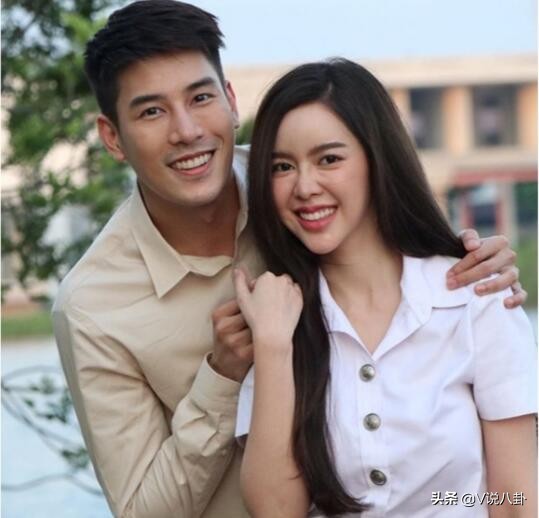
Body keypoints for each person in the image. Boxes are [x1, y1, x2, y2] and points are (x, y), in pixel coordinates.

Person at [51, 1, 527, 517]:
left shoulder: (299, 191)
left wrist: (468, 258)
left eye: (201, 97)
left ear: (231, 100)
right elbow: (144, 511)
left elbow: (512, 497)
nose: (185, 130)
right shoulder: (92, 306)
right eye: (151, 111)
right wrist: (223, 375)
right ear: (112, 137)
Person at [235, 58, 537, 518]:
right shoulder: (277, 317)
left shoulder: (476, 295)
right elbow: (275, 511)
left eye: (329, 159)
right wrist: (273, 347)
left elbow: (515, 500)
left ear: (377, 160)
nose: (304, 186)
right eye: (282, 166)